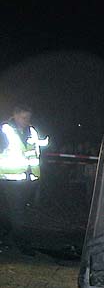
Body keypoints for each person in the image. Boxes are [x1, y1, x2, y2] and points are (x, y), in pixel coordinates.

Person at [0, 104, 49, 242]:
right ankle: (21, 241)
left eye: (28, 117)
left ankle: (7, 236)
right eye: (23, 117)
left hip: (28, 179)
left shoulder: (32, 131)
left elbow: (44, 144)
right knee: (17, 211)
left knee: (16, 210)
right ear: (15, 116)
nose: (26, 120)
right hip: (9, 179)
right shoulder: (5, 131)